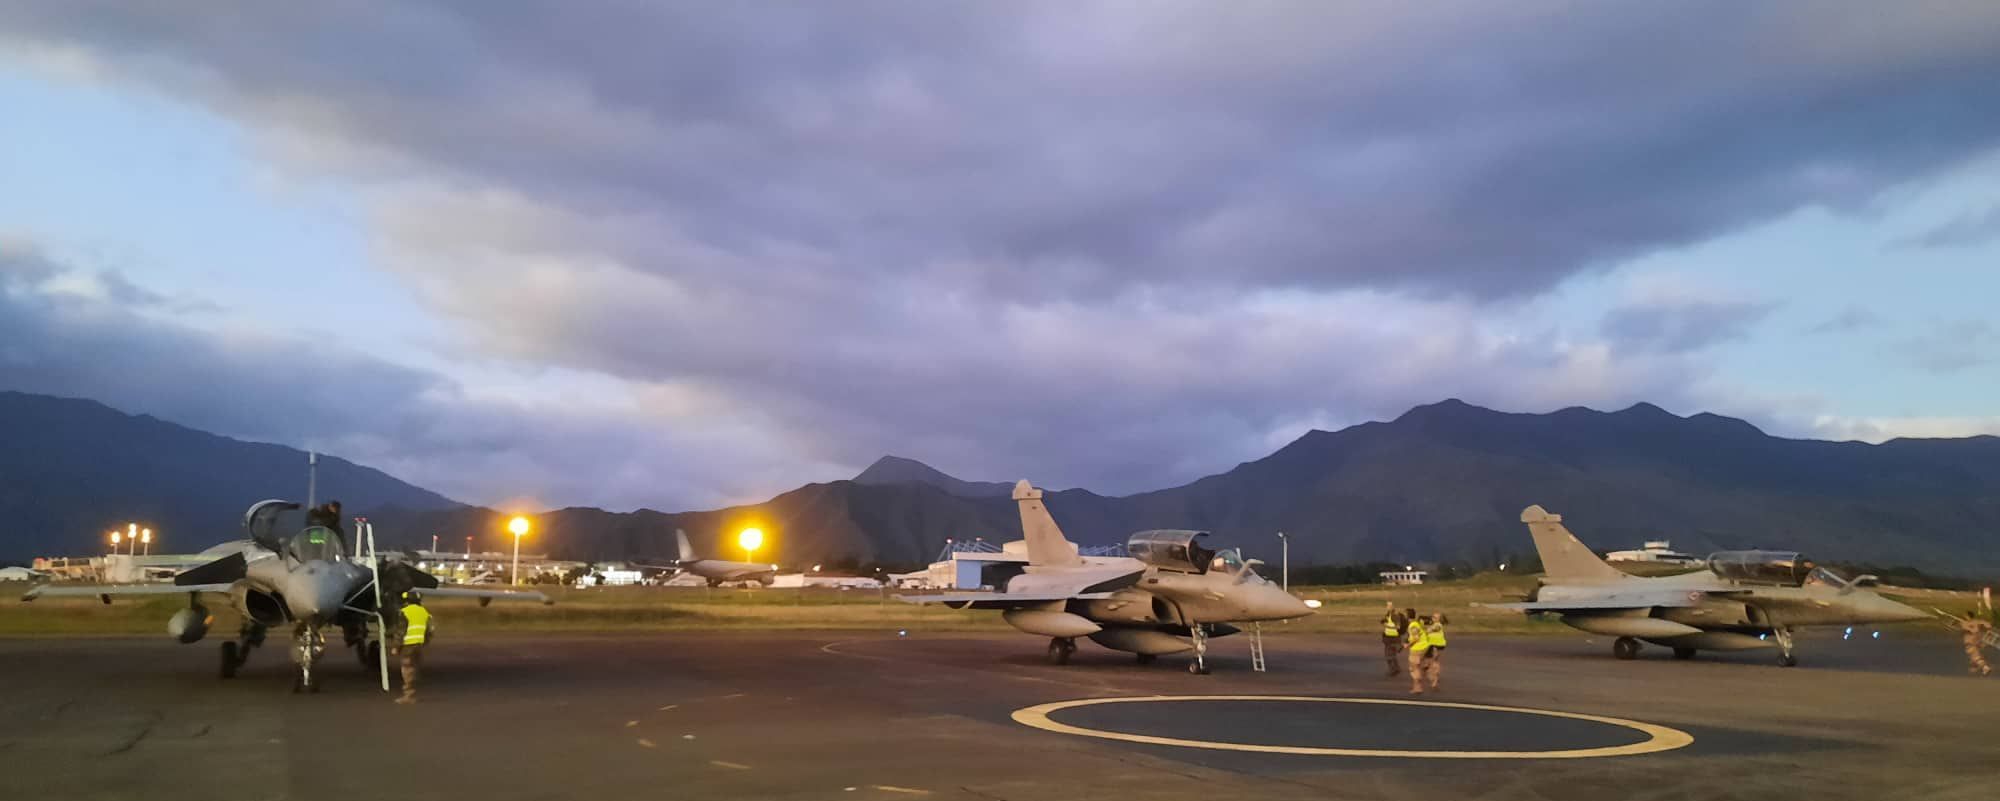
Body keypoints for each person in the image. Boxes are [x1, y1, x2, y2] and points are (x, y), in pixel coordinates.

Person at [394, 590, 434, 704]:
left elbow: (401, 631)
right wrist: (425, 642)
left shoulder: (405, 612)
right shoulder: (424, 612)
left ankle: (409, 695)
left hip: (408, 645)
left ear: (407, 601)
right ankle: (412, 692)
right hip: (418, 645)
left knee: (407, 669)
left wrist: (396, 646)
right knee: (415, 668)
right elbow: (429, 630)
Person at [1405, 612, 1432, 694]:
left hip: (1418, 648)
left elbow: (1416, 638)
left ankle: (1417, 688)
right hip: (1425, 647)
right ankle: (1425, 669)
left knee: (1413, 668)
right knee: (1418, 667)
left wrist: (1408, 645)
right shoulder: (1417, 624)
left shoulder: (1412, 626)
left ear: (1407, 616)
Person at [1380, 602, 1406, 677]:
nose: (1388, 607)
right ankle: (1395, 668)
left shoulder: (1395, 615)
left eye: (1389, 605)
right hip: (1388, 637)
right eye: (1387, 605)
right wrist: (1384, 621)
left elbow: (1398, 627)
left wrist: (1387, 626)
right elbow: (1388, 621)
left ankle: (1393, 669)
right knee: (1391, 654)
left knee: (1389, 655)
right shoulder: (1388, 614)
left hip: (1393, 637)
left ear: (1393, 606)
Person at [1963, 610, 1992, 677]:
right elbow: (1987, 624)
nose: (1964, 616)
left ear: (1968, 616)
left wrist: (1988, 630)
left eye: (1965, 615)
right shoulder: (1968, 622)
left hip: (1972, 641)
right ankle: (1982, 667)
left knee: (1974, 654)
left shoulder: (1974, 622)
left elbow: (1987, 624)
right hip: (1973, 641)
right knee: (1974, 656)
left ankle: (1985, 667)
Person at [1424, 614, 1448, 691]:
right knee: (1430, 660)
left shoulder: (1438, 625)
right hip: (1431, 645)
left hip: (1437, 646)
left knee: (1434, 662)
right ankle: (1428, 668)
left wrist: (1426, 630)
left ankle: (1434, 681)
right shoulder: (1433, 624)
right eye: (1432, 616)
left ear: (1439, 619)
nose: (1432, 618)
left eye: (1435, 617)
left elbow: (1433, 629)